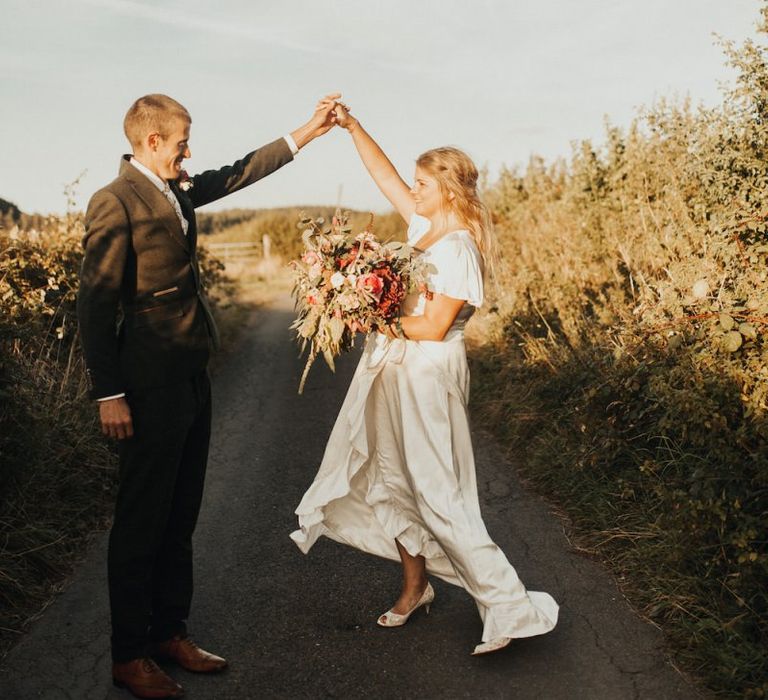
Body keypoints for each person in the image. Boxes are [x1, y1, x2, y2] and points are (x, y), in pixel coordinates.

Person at [77, 92, 339, 699]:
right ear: (149, 143)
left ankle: (171, 633)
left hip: (193, 374)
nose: (188, 154)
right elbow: (94, 303)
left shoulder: (175, 188)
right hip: (145, 384)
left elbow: (236, 173)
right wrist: (108, 392)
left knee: (182, 512)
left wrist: (306, 132)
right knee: (142, 520)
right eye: (180, 144)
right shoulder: (114, 201)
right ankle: (128, 654)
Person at [291, 104, 559, 655]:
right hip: (393, 368)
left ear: (448, 191)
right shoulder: (427, 227)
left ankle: (507, 605)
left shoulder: (458, 247)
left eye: (421, 184)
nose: (411, 191)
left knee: (440, 493)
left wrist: (363, 313)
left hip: (428, 373)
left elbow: (434, 327)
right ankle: (416, 586)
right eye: (413, 183)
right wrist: (352, 127)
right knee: (392, 479)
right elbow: (383, 175)